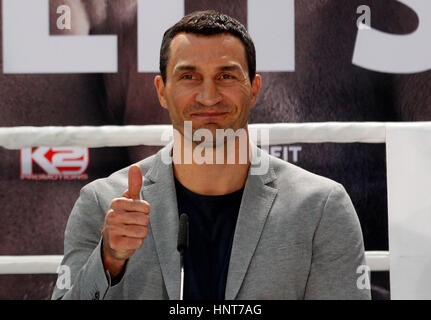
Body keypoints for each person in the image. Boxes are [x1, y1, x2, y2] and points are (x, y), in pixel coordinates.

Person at [51, 10, 370, 300]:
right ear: (162, 91)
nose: (208, 96)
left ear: (254, 89)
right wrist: (108, 259)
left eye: (226, 76)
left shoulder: (321, 206)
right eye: (189, 76)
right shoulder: (103, 203)